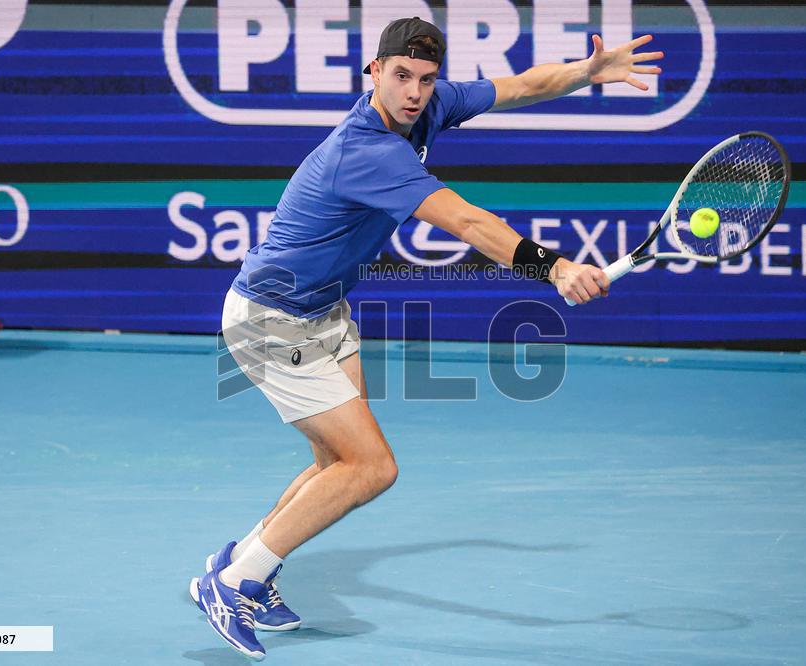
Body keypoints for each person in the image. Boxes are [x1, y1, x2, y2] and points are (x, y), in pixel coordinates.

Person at [190, 17, 663, 660]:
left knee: (338, 462)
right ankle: (232, 581)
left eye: (426, 79)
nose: (414, 92)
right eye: (401, 76)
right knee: (371, 467)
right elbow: (467, 221)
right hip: (271, 320)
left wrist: (585, 72)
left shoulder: (429, 106)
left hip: (323, 309)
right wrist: (556, 269)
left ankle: (247, 563)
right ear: (374, 73)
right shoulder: (368, 151)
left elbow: (521, 85)